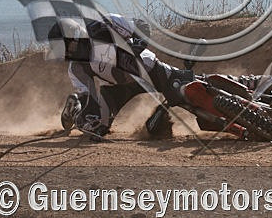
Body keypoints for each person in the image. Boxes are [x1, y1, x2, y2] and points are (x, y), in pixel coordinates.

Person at [60, 14, 192, 140]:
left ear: (78, 36)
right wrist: (85, 111)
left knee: (182, 88)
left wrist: (135, 50)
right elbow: (87, 97)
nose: (69, 52)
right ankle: (73, 109)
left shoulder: (103, 25)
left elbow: (142, 26)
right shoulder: (76, 68)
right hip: (116, 89)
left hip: (147, 69)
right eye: (64, 49)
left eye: (69, 46)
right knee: (94, 126)